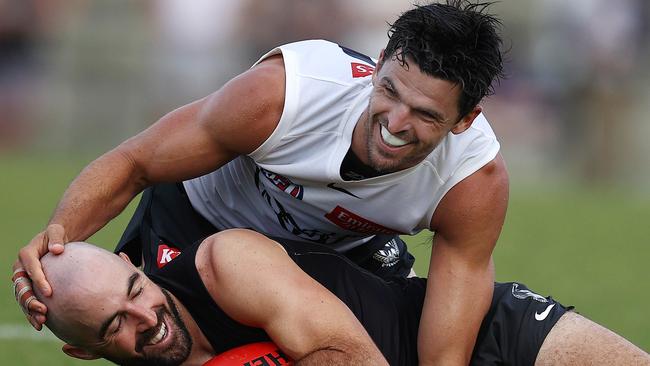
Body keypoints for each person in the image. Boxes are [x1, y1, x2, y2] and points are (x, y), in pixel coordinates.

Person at [16, 2, 508, 363]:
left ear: (465, 120)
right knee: (156, 341)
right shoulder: (283, 98)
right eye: (390, 93)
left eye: (424, 114)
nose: (395, 122)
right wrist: (55, 252)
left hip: (342, 254)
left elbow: (444, 357)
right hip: (196, 225)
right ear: (378, 64)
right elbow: (134, 162)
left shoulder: (472, 181)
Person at [16, 231, 650, 365]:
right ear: (80, 351)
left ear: (137, 266)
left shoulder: (224, 264)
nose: (145, 318)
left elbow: (350, 357)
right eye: (113, 327)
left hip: (474, 330)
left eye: (135, 290)